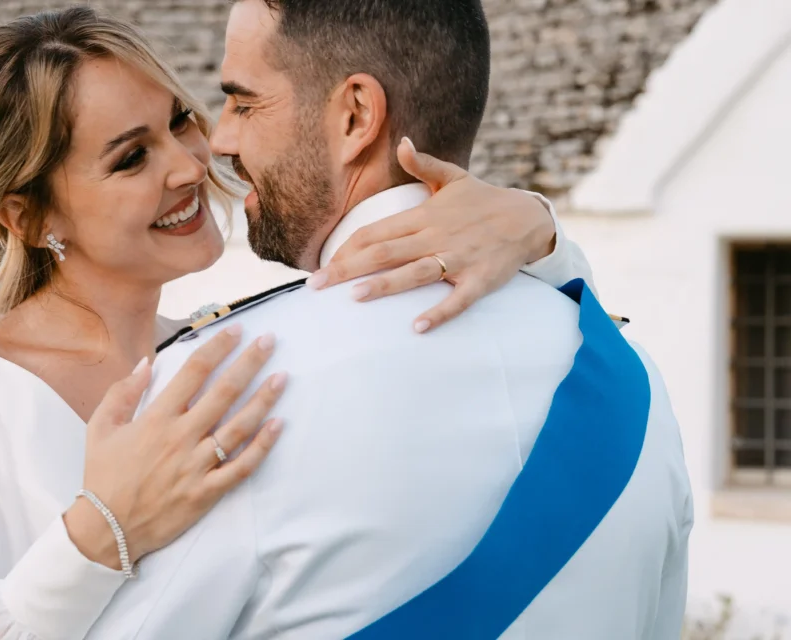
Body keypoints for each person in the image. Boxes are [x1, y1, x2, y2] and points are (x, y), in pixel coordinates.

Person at [0, 7, 599, 640]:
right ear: (28, 216)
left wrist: (538, 227)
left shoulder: (237, 350)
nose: (192, 164)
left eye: (180, 122)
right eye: (131, 158)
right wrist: (96, 538)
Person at [85, 0, 693, 638]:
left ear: (356, 116)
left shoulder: (223, 391)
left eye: (243, 102)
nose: (221, 140)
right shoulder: (633, 380)